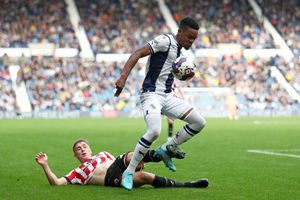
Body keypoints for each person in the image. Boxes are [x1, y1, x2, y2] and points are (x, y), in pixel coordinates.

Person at [114, 17, 207, 191]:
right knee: (155, 130)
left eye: (194, 38)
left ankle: (167, 147)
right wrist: (123, 77)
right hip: (151, 95)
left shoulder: (180, 50)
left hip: (168, 96)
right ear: (180, 32)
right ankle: (129, 171)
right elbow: (137, 53)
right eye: (189, 36)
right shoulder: (165, 41)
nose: (192, 41)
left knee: (199, 122)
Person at [35, 139, 209, 189]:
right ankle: (188, 184)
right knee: (146, 177)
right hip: (111, 179)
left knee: (131, 156)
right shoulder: (77, 171)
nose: (82, 149)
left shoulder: (103, 154)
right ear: (75, 155)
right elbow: (57, 182)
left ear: (90, 148)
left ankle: (160, 154)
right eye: (78, 149)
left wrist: (137, 164)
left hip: (117, 167)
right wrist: (44, 165)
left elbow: (127, 162)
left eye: (84, 146)